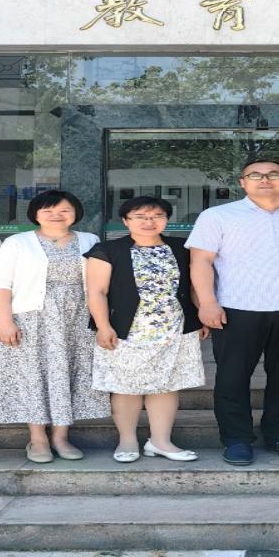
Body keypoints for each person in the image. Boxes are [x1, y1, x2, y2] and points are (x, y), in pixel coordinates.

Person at [187, 158, 279, 466]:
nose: (265, 179)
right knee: (233, 377)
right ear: (242, 182)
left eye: (273, 174)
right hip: (237, 308)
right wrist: (207, 302)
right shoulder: (218, 216)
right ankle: (236, 439)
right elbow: (201, 261)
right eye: (255, 175)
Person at [0, 190, 108, 463]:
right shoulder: (17, 242)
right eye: (48, 210)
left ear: (75, 213)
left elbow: (99, 282)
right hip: (31, 319)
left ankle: (61, 437)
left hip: (77, 318)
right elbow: (1, 284)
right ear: (35, 214)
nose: (56, 215)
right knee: (32, 374)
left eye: (64, 210)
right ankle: (37, 439)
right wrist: (5, 321)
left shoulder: (89, 240)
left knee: (70, 373)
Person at [86, 196, 206, 464]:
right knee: (125, 386)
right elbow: (96, 292)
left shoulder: (182, 247)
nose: (149, 222)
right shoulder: (107, 249)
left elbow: (194, 286)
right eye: (140, 217)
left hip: (174, 327)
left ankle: (160, 441)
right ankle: (127, 440)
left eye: (156, 216)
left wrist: (202, 317)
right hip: (126, 328)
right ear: (125, 221)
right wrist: (103, 326)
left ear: (166, 219)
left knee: (167, 384)